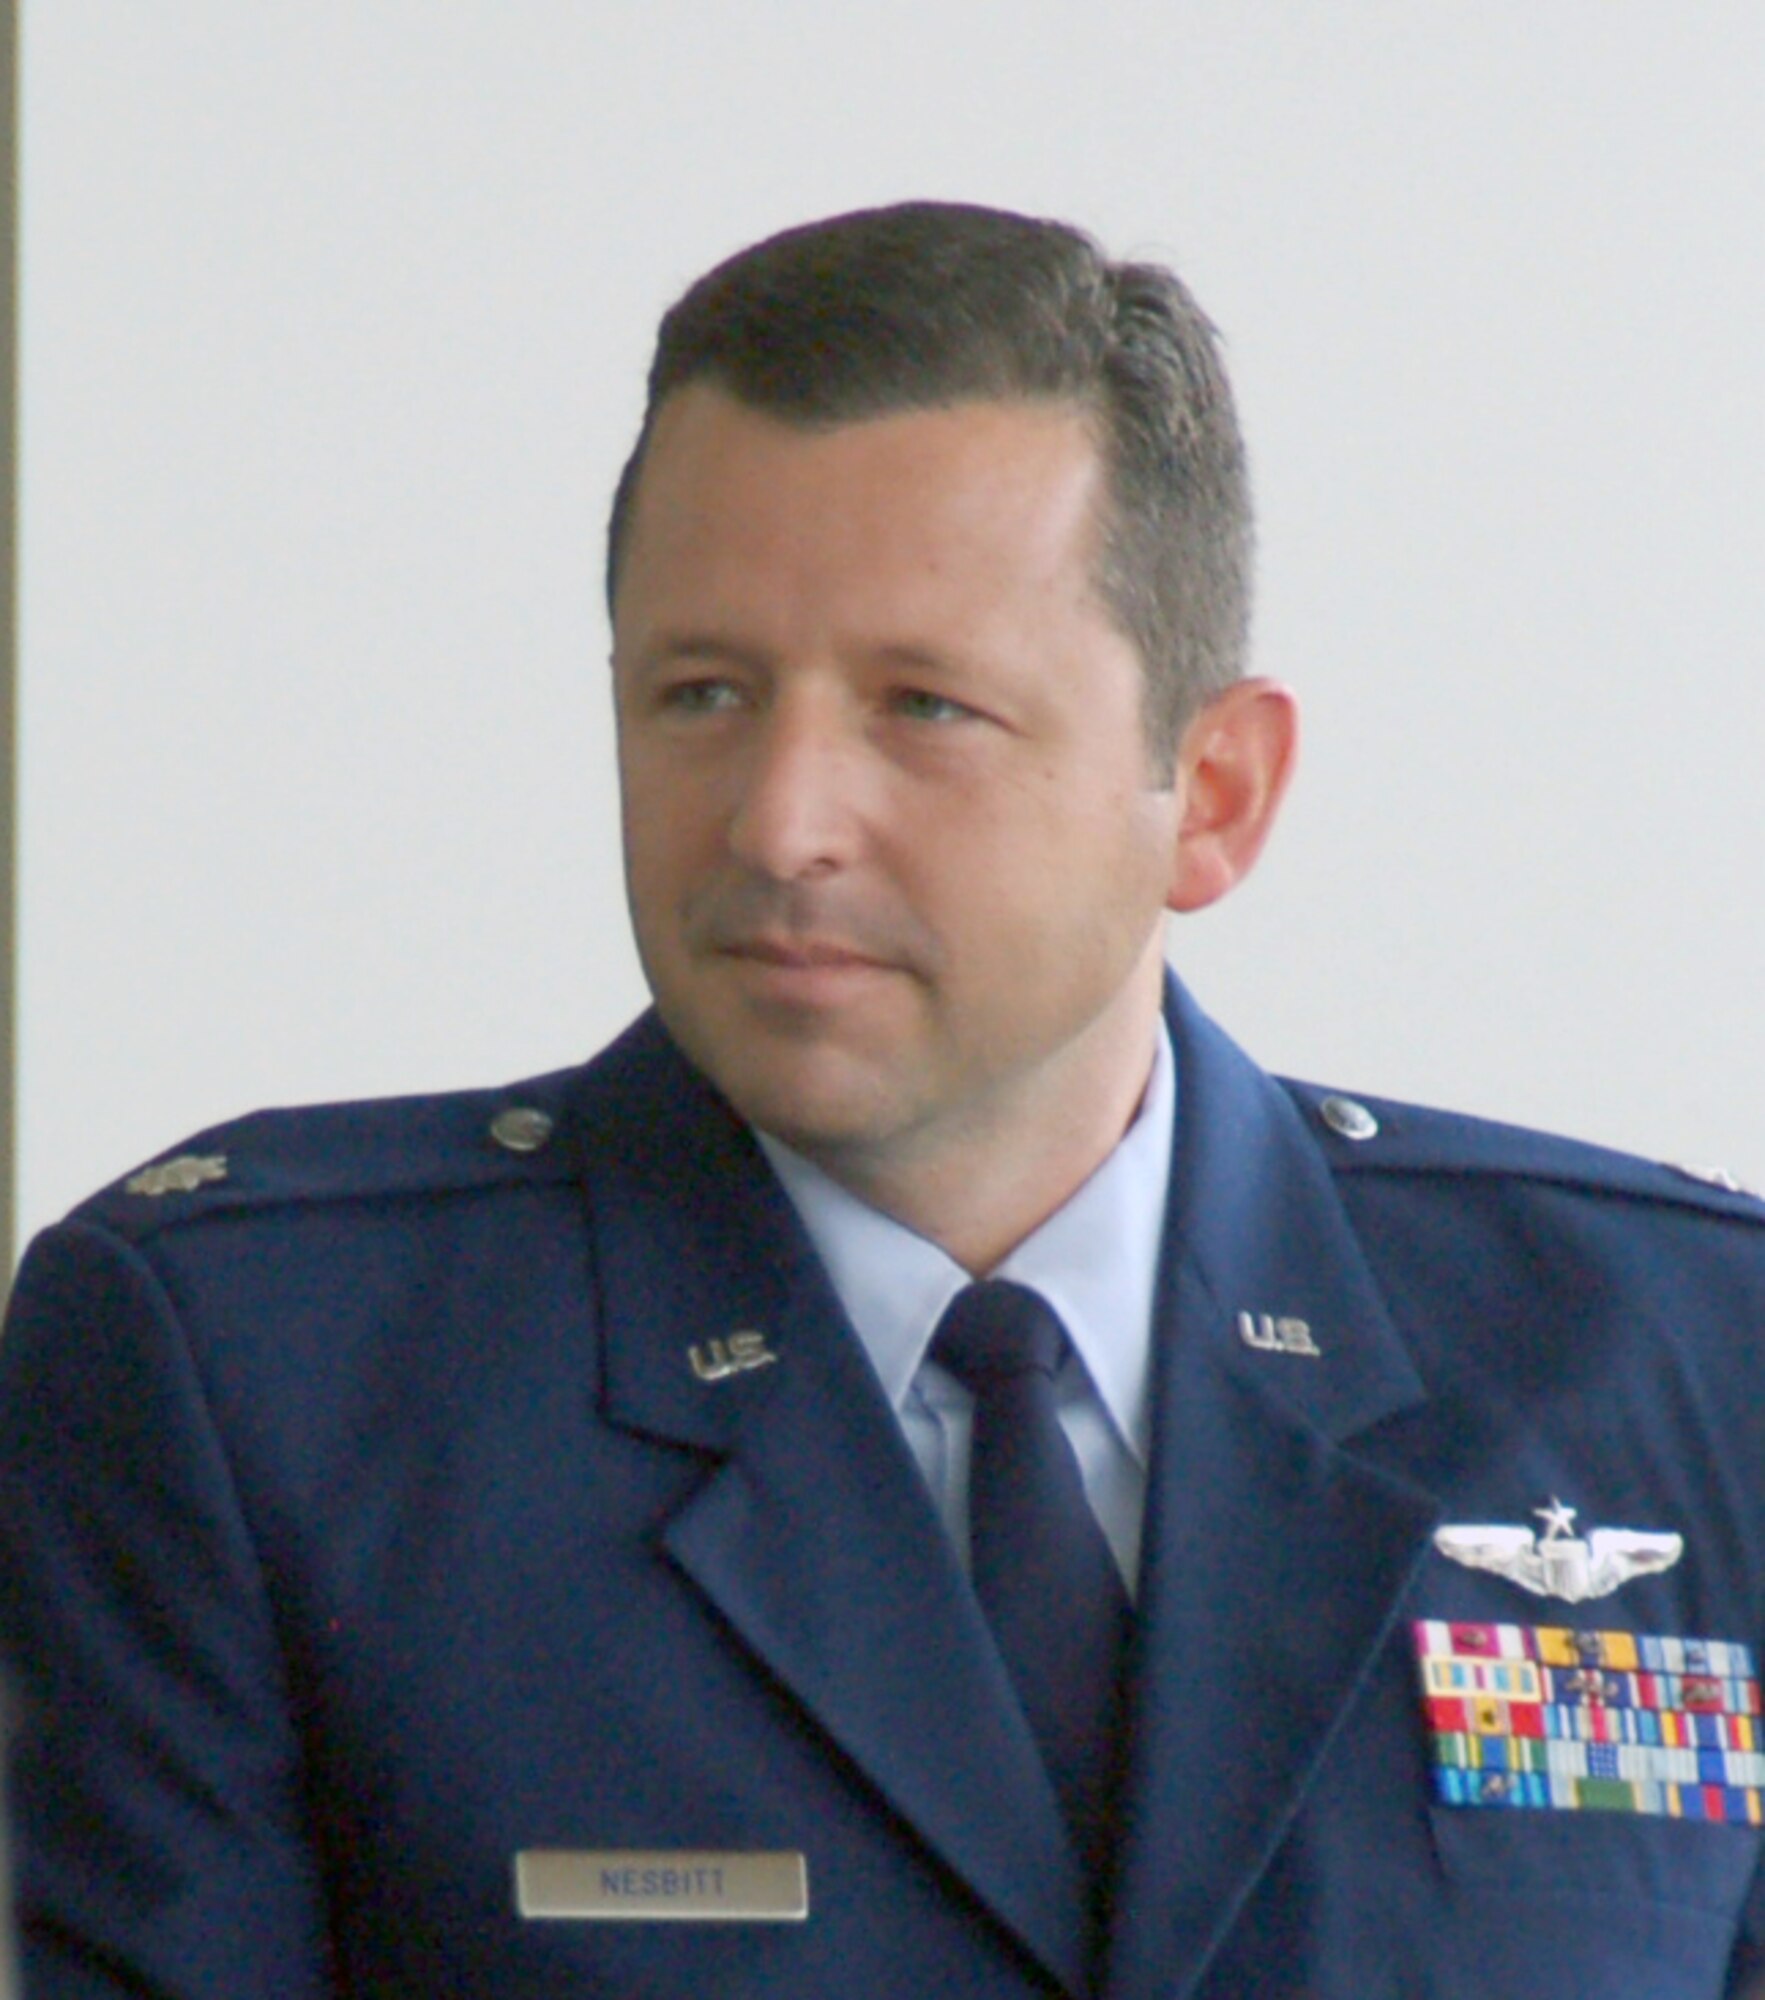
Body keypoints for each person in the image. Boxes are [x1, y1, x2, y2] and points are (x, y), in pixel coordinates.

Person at [3, 200, 1765, 2000]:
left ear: (1214, 793)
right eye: (701, 693)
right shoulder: (256, 1375)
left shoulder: (1684, 1358)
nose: (777, 823)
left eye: (924, 708)